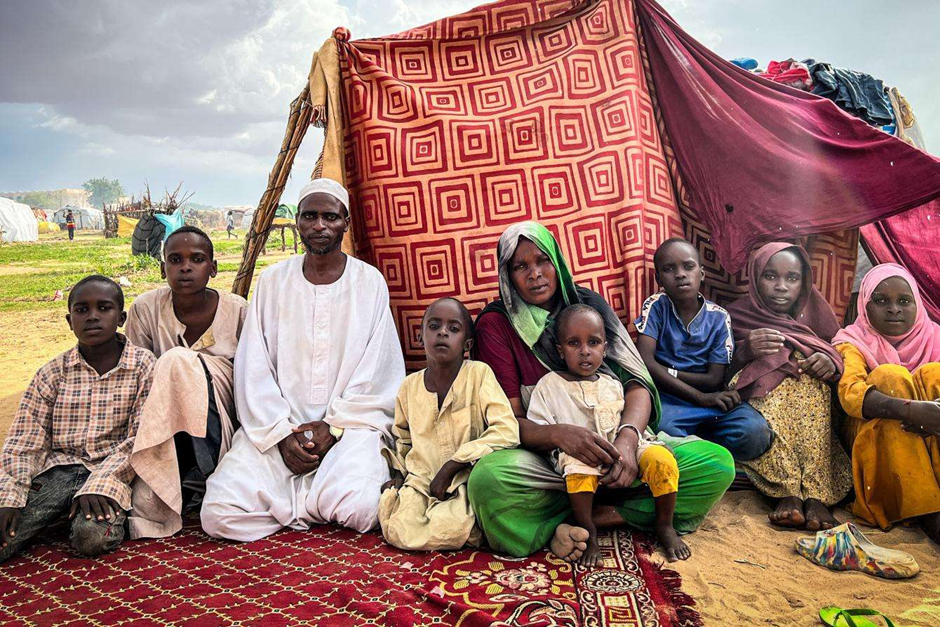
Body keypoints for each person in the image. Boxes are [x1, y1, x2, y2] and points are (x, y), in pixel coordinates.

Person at [469, 222, 734, 561]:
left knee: (716, 464)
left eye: (542, 260)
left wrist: (627, 440)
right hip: (551, 462)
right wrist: (561, 435)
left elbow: (637, 383)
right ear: (507, 274)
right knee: (487, 481)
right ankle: (605, 511)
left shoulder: (589, 306)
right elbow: (509, 421)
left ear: (557, 261)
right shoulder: (496, 324)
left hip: (619, 448)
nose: (534, 274)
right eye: (520, 266)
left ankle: (586, 519)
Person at [200, 178, 405, 541]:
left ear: (346, 222)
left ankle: (294, 505)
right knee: (218, 513)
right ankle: (311, 506)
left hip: (349, 430)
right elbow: (254, 368)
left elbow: (378, 372)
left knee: (362, 506)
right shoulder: (273, 281)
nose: (319, 225)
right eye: (310, 216)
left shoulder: (368, 282)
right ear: (297, 222)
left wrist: (333, 428)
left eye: (330, 217)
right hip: (278, 430)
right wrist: (281, 434)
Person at [0, 276, 155, 561]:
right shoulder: (52, 373)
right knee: (5, 534)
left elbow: (140, 438)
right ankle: (61, 509)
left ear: (121, 318)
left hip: (111, 470)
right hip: (58, 470)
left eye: (104, 308)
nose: (92, 316)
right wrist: (10, 497)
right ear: (69, 321)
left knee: (91, 538)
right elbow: (25, 441)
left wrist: (101, 484)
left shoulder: (143, 366)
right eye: (82, 310)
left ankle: (81, 514)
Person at [528, 304, 688, 564]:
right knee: (578, 467)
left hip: (621, 449)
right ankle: (589, 532)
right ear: (559, 350)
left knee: (663, 460)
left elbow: (628, 425)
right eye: (573, 343)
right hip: (579, 456)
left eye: (593, 343)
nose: (585, 351)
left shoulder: (613, 383)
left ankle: (664, 525)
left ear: (605, 348)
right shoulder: (549, 386)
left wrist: (630, 447)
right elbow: (541, 428)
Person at [124, 226, 248, 539]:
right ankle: (175, 477)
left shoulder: (237, 310)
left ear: (213, 268)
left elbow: (252, 374)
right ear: (163, 268)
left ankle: (209, 474)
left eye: (197, 259)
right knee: (174, 367)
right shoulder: (145, 309)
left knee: (179, 361)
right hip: (164, 415)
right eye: (175, 260)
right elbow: (136, 377)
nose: (186, 267)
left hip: (222, 414)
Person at [727, 243, 851, 530]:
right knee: (776, 396)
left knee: (812, 387)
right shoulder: (734, 315)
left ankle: (817, 496)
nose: (781, 286)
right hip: (761, 391)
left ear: (803, 282)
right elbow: (717, 368)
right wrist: (745, 351)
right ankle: (788, 492)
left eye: (792, 278)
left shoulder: (816, 314)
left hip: (810, 399)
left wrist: (829, 363)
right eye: (770, 276)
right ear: (755, 278)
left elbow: (838, 350)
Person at [379, 298, 518, 551]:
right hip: (421, 482)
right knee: (397, 528)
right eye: (434, 326)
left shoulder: (478, 374)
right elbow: (403, 439)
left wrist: (455, 464)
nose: (443, 332)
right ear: (420, 337)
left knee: (453, 526)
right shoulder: (409, 386)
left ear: (467, 344)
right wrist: (398, 476)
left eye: (453, 329)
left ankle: (467, 528)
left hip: (463, 481)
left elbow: (507, 430)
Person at [636, 238, 772, 461]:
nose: (680, 274)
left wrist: (667, 372)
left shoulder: (718, 317)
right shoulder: (656, 306)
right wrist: (699, 396)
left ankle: (698, 441)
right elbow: (645, 363)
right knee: (662, 430)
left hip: (710, 400)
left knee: (755, 433)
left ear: (702, 273)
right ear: (658, 279)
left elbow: (713, 379)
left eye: (688, 266)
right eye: (669, 269)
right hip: (669, 399)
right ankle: (701, 447)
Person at [832, 263, 940, 545]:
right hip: (873, 440)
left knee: (935, 374)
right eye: (881, 301)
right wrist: (912, 410)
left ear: (918, 304)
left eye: (904, 301)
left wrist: (930, 416)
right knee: (890, 376)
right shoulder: (851, 341)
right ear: (864, 305)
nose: (894, 309)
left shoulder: (935, 338)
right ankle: (926, 510)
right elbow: (851, 393)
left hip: (929, 435)